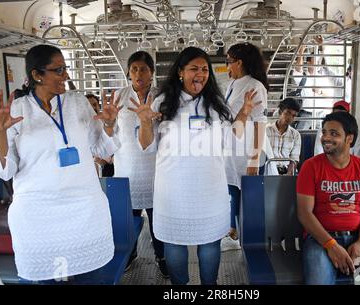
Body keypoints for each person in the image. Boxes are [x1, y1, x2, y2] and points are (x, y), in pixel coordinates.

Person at [0, 44, 121, 282]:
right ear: (37, 75)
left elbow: (103, 149)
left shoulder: (78, 103)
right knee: (47, 279)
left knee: (90, 277)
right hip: (38, 216)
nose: (66, 75)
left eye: (66, 68)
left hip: (84, 211)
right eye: (58, 70)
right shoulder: (17, 110)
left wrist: (110, 126)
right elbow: (5, 170)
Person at [130, 47, 258, 285]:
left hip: (209, 185)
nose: (200, 74)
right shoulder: (163, 102)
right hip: (174, 186)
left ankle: (210, 287)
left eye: (204, 69)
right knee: (174, 240)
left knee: (210, 241)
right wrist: (145, 122)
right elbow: (146, 145)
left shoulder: (216, 103)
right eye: (193, 69)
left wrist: (243, 114)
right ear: (180, 72)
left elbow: (231, 139)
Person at [296, 111, 360, 285]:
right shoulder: (311, 167)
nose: (326, 138)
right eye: (324, 132)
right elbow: (305, 213)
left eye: (334, 134)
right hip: (321, 241)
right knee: (319, 281)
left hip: (358, 239)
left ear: (349, 138)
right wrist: (331, 245)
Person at [113, 51, 167, 277]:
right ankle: (130, 252)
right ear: (128, 72)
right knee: (129, 217)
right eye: (134, 69)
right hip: (127, 166)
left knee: (158, 216)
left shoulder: (162, 96)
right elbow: (112, 130)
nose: (138, 73)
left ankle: (161, 255)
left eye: (143, 69)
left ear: (152, 72)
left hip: (156, 167)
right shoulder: (119, 96)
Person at [224, 42, 268, 242]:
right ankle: (233, 230)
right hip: (231, 148)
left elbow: (260, 122)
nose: (227, 67)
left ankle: (249, 239)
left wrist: (254, 158)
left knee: (246, 196)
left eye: (229, 62)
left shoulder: (255, 86)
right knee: (233, 189)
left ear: (239, 63)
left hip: (247, 149)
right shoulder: (233, 84)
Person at [266, 97, 301, 175]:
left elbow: (294, 160)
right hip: (269, 171)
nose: (290, 118)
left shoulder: (295, 135)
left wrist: (288, 175)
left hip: (287, 171)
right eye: (288, 113)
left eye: (293, 116)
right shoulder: (266, 131)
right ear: (280, 111)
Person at [86, 93, 114, 177]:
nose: (93, 108)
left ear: (99, 106)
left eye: (95, 105)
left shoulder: (108, 121)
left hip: (108, 165)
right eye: (89, 105)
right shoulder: (80, 125)